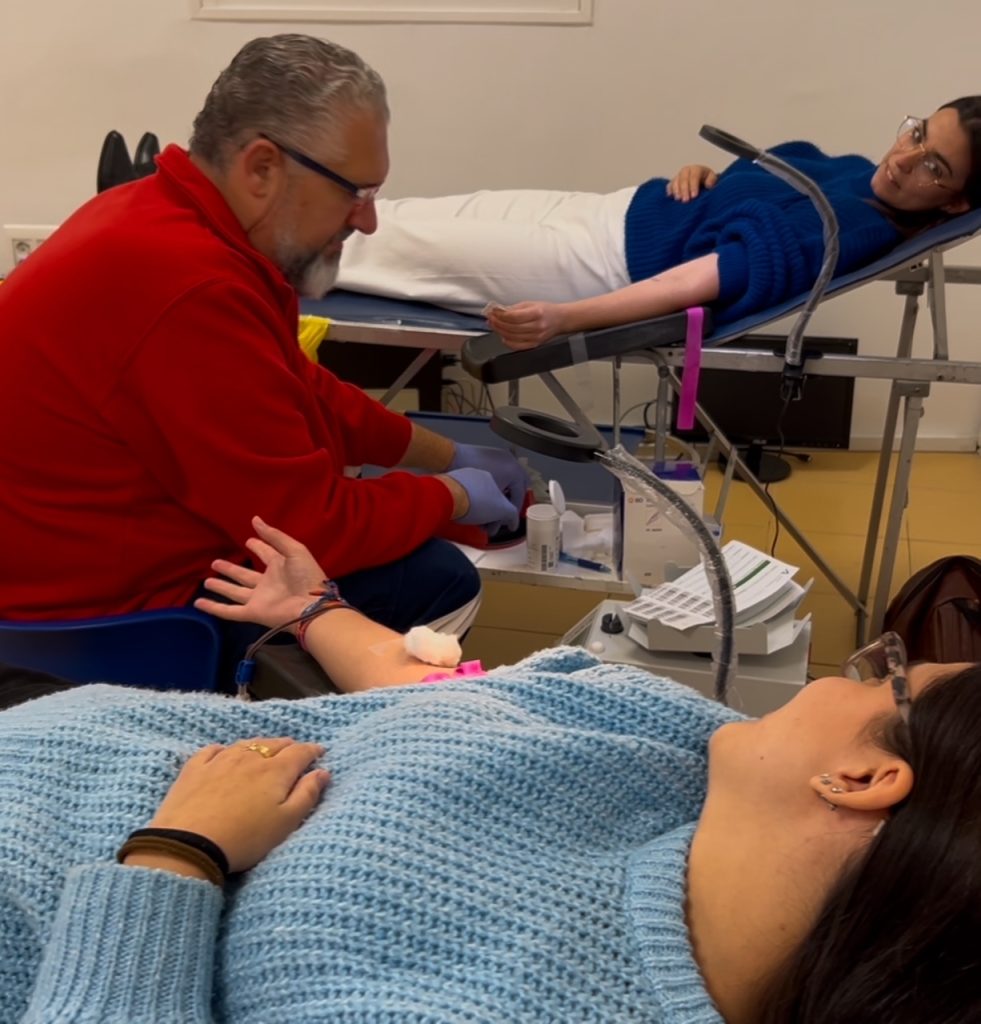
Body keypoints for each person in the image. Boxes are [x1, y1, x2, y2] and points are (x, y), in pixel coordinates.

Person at [0, 519, 978, 1023]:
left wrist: (177, 855)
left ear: (861, 780)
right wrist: (311, 610)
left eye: (887, 675)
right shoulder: (693, 743)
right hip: (66, 717)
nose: (854, 669)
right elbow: (440, 694)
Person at [0, 34, 528, 646]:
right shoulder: (188, 286)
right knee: (434, 581)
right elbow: (311, 531)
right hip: (97, 625)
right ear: (261, 168)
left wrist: (445, 456)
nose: (369, 220)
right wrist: (451, 496)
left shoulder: (165, 218)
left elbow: (294, 383)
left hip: (83, 565)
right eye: (354, 192)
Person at [336, 98, 981, 348]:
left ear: (955, 203)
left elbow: (707, 276)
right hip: (612, 210)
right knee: (404, 217)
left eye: (933, 167)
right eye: (916, 132)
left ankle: (259, 250)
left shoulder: (854, 231)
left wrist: (567, 319)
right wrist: (707, 174)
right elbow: (758, 183)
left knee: (387, 244)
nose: (903, 159)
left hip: (597, 268)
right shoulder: (853, 174)